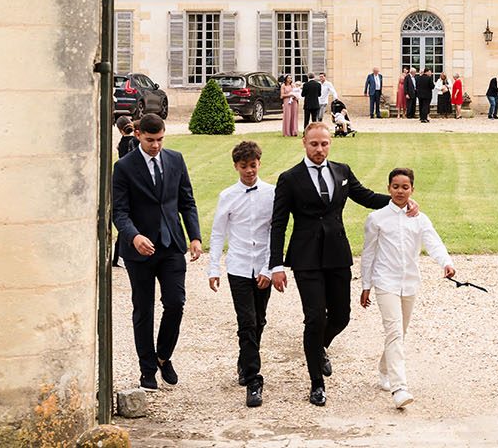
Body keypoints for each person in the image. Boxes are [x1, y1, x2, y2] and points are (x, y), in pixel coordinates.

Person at [268, 121, 411, 406]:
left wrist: (401, 200)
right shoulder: (290, 178)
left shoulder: (342, 172)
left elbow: (367, 197)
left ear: (330, 143)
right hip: (306, 258)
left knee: (341, 316)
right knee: (314, 318)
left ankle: (319, 348)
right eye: (314, 144)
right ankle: (316, 384)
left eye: (324, 143)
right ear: (304, 144)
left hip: (337, 255)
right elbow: (279, 224)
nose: (319, 149)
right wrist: (276, 265)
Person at [110, 113, 203, 392]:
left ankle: (163, 356)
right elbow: (120, 212)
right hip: (139, 250)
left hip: (171, 244)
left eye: (160, 139)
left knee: (175, 303)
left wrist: (195, 236)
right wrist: (134, 236)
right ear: (138, 135)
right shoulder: (124, 167)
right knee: (144, 309)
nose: (156, 145)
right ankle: (147, 369)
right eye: (150, 140)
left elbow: (187, 201)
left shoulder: (175, 160)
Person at [360, 167, 455, 409]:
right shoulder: (377, 219)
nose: (400, 191)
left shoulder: (420, 219)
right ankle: (399, 388)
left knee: (399, 333)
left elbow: (433, 241)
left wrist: (446, 262)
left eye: (405, 187)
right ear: (388, 188)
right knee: (393, 332)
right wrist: (366, 285)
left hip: (410, 283)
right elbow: (368, 253)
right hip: (385, 283)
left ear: (412, 189)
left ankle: (384, 370)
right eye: (395, 186)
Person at [209, 139, 275, 409]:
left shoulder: (271, 193)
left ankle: (244, 360)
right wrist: (213, 268)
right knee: (246, 322)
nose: (249, 170)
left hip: (262, 265)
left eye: (253, 165)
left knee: (259, 321)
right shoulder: (227, 196)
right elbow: (218, 233)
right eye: (244, 166)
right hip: (237, 267)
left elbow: (275, 231)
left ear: (259, 163)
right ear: (236, 166)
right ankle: (253, 379)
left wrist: (269, 268)